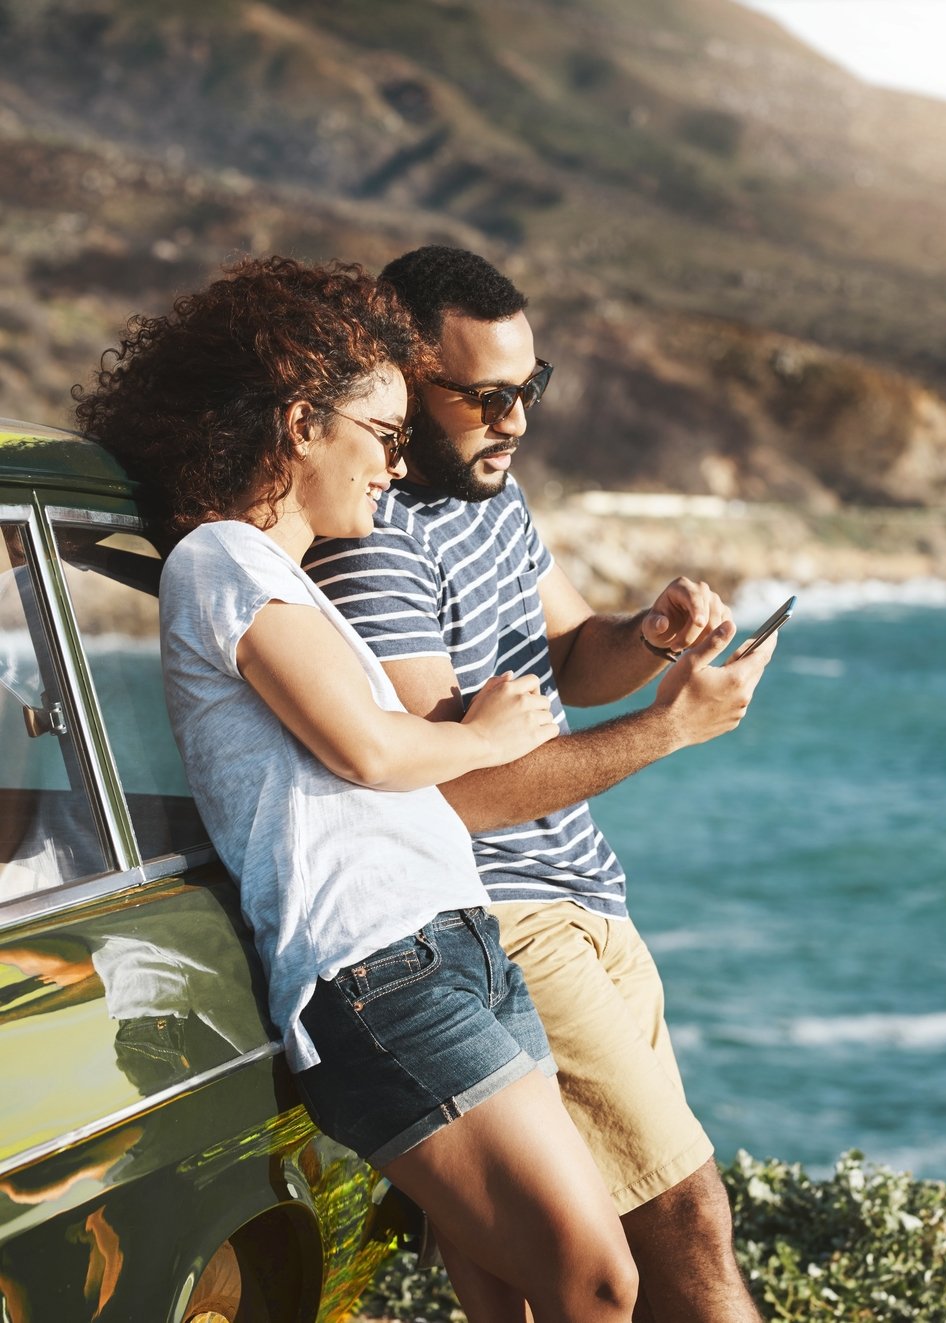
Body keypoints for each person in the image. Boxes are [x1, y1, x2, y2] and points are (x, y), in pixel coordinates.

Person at [73, 255, 639, 1323]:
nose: (393, 465)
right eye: (381, 437)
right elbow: (370, 752)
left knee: (514, 1293)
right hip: (379, 970)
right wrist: (486, 734)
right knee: (599, 1280)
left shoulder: (279, 577)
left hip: (449, 943)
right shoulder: (224, 560)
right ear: (300, 425)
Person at [304, 245, 776, 1323]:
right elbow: (449, 795)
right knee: (686, 1224)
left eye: (529, 389)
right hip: (503, 916)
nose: (513, 420)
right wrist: (666, 732)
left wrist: (647, 638)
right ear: (398, 381)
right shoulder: (370, 550)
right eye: (484, 397)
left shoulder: (493, 499)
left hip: (589, 897)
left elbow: (568, 649)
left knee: (604, 1253)